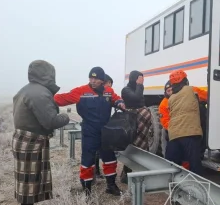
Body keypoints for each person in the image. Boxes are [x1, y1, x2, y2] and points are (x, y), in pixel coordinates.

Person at [12, 60, 70, 205]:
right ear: (48, 74)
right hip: (32, 142)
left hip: (24, 139)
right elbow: (50, 121)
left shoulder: (26, 89)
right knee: (30, 181)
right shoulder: (40, 93)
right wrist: (66, 117)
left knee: (28, 180)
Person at [54, 67, 125, 197]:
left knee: (110, 159)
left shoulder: (108, 91)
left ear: (102, 80)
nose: (92, 81)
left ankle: (111, 186)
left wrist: (120, 103)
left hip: (105, 131)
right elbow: (62, 99)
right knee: (88, 160)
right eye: (91, 78)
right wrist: (46, 98)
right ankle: (87, 191)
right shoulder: (81, 91)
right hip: (89, 130)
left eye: (96, 79)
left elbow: (116, 98)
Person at [166, 69, 204, 175]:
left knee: (174, 165)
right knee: (195, 165)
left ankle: (175, 187)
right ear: (185, 81)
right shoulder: (192, 90)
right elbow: (207, 96)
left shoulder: (171, 98)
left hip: (174, 135)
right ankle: (196, 188)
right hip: (190, 133)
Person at [119, 70, 152, 184]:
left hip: (143, 126)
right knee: (132, 146)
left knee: (143, 147)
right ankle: (126, 174)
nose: (142, 80)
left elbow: (141, 103)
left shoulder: (139, 89)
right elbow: (135, 99)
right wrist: (139, 85)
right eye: (139, 78)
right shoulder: (126, 90)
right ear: (134, 79)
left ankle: (139, 175)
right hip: (132, 123)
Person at [94, 73, 114, 180]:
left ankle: (101, 172)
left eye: (111, 84)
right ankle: (95, 172)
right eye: (107, 83)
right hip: (94, 127)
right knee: (95, 150)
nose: (109, 86)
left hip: (105, 126)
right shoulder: (95, 95)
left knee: (102, 150)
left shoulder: (109, 95)